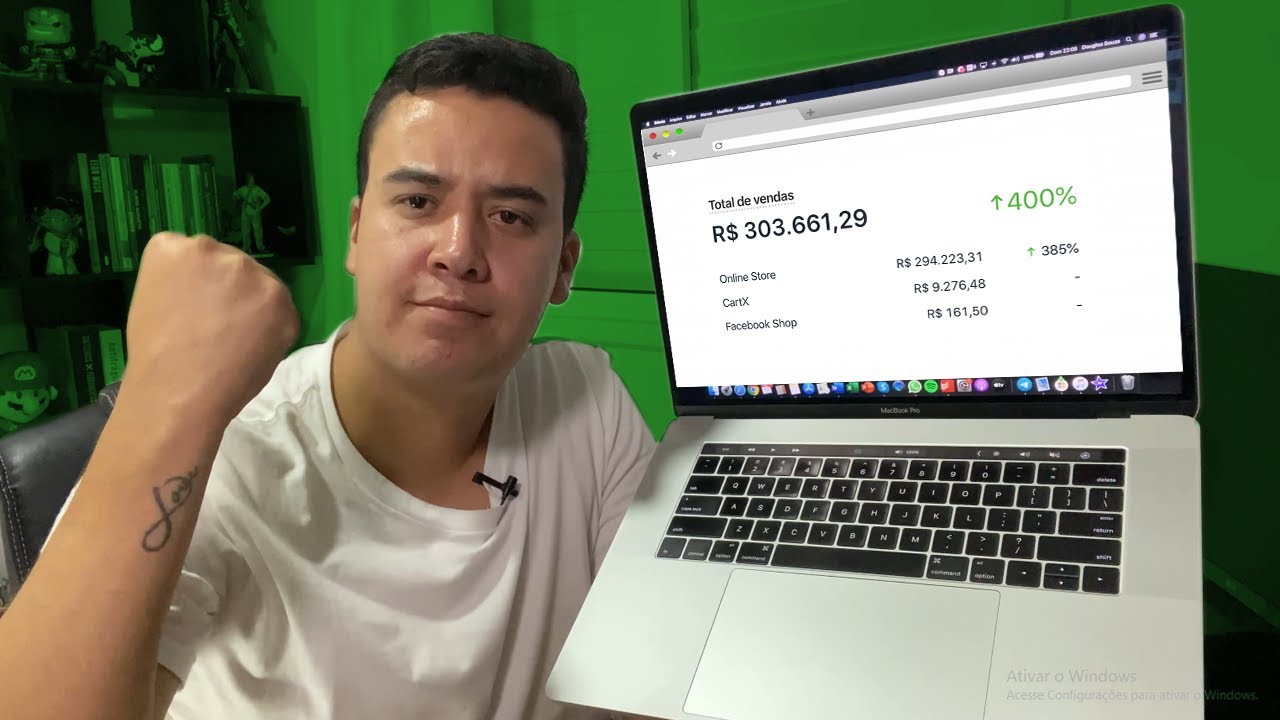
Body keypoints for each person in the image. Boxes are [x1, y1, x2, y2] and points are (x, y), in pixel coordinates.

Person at [0, 32, 657, 719]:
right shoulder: (228, 452)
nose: (459, 251)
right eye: (418, 202)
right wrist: (162, 397)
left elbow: (657, 666)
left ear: (563, 268)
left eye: (511, 216)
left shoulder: (587, 399)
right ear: (356, 233)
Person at [232, 172, 271, 254]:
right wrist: (236, 200)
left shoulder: (258, 190)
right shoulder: (243, 189)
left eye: (253, 179)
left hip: (255, 213)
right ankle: (246, 248)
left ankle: (260, 247)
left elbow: (267, 199)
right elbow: (235, 195)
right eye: (250, 179)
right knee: (245, 231)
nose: (252, 181)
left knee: (258, 231)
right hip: (245, 214)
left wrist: (260, 208)